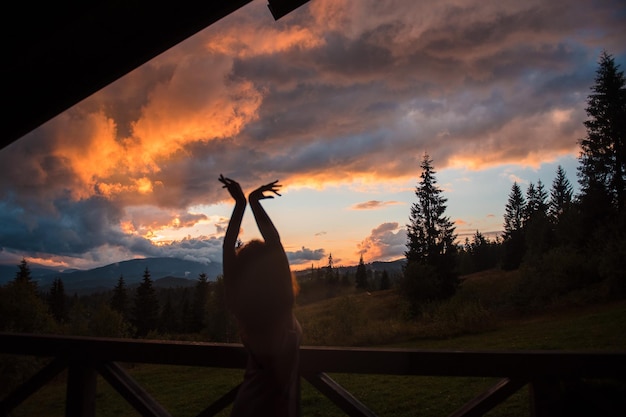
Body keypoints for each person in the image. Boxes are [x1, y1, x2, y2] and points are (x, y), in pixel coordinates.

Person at [219, 174, 302, 417]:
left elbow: (227, 247)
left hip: (247, 406)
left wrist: (241, 205)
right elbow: (275, 243)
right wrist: (254, 202)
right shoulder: (284, 304)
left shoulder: (242, 309)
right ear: (274, 274)